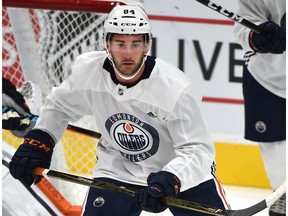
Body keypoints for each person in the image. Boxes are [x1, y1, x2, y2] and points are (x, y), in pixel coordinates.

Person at [9, 4, 230, 215]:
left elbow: (197, 150)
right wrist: (41, 140)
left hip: (176, 174)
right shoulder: (88, 72)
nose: (127, 53)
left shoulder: (174, 89)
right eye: (120, 44)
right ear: (107, 44)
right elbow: (58, 105)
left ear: (147, 45)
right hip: (117, 168)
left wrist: (171, 177)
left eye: (135, 44)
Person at [233, 1, 286, 215]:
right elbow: (244, 22)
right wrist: (257, 38)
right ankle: (283, 194)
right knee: (274, 146)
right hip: (268, 75)